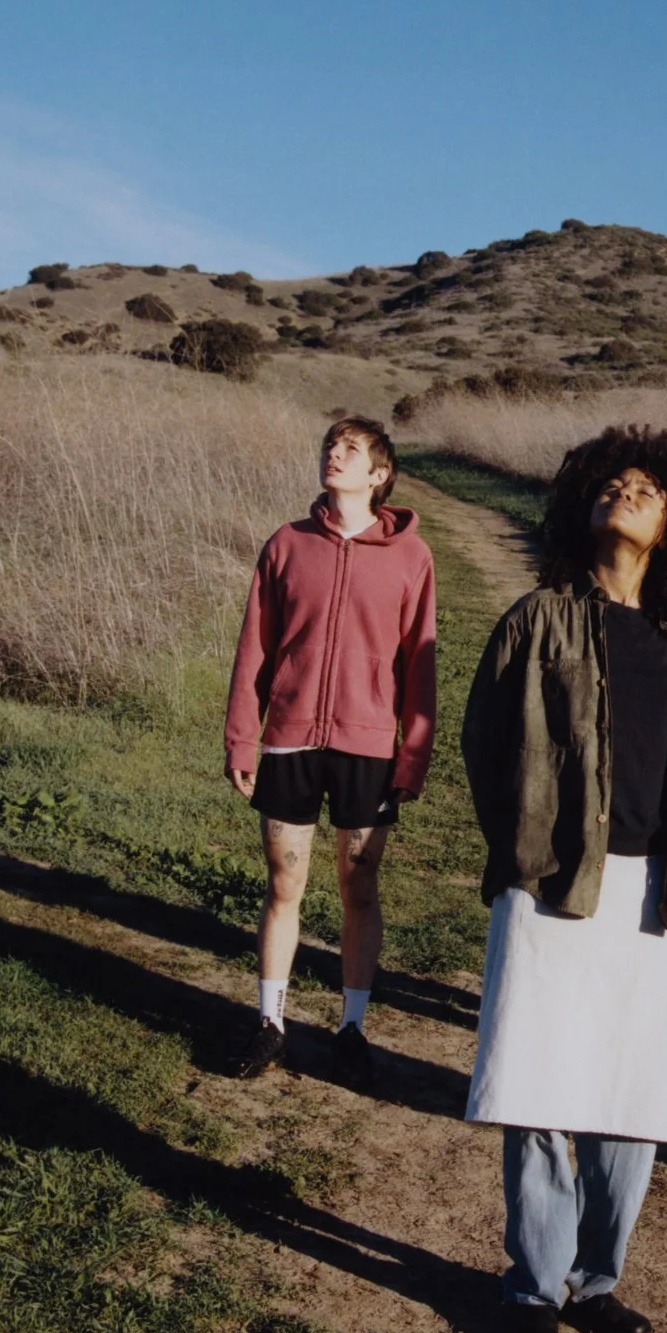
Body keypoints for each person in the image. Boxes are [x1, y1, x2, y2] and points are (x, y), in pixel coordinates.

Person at [461, 425, 667, 1333]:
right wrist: (521, 847)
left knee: (630, 1098)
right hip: (550, 884)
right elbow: (484, 744)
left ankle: (595, 1281)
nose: (626, 492)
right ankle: (534, 1287)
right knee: (540, 1084)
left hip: (650, 892)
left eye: (647, 490)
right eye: (612, 484)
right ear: (583, 506)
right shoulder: (537, 618)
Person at [223, 416, 437, 1091]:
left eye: (351, 450)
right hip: (289, 739)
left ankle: (351, 1028)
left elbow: (420, 665)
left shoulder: (412, 557)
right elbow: (254, 646)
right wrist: (242, 735)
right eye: (329, 445)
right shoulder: (287, 544)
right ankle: (270, 1024)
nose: (333, 454)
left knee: (358, 888)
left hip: (368, 747)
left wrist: (414, 756)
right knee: (284, 885)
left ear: (379, 475)